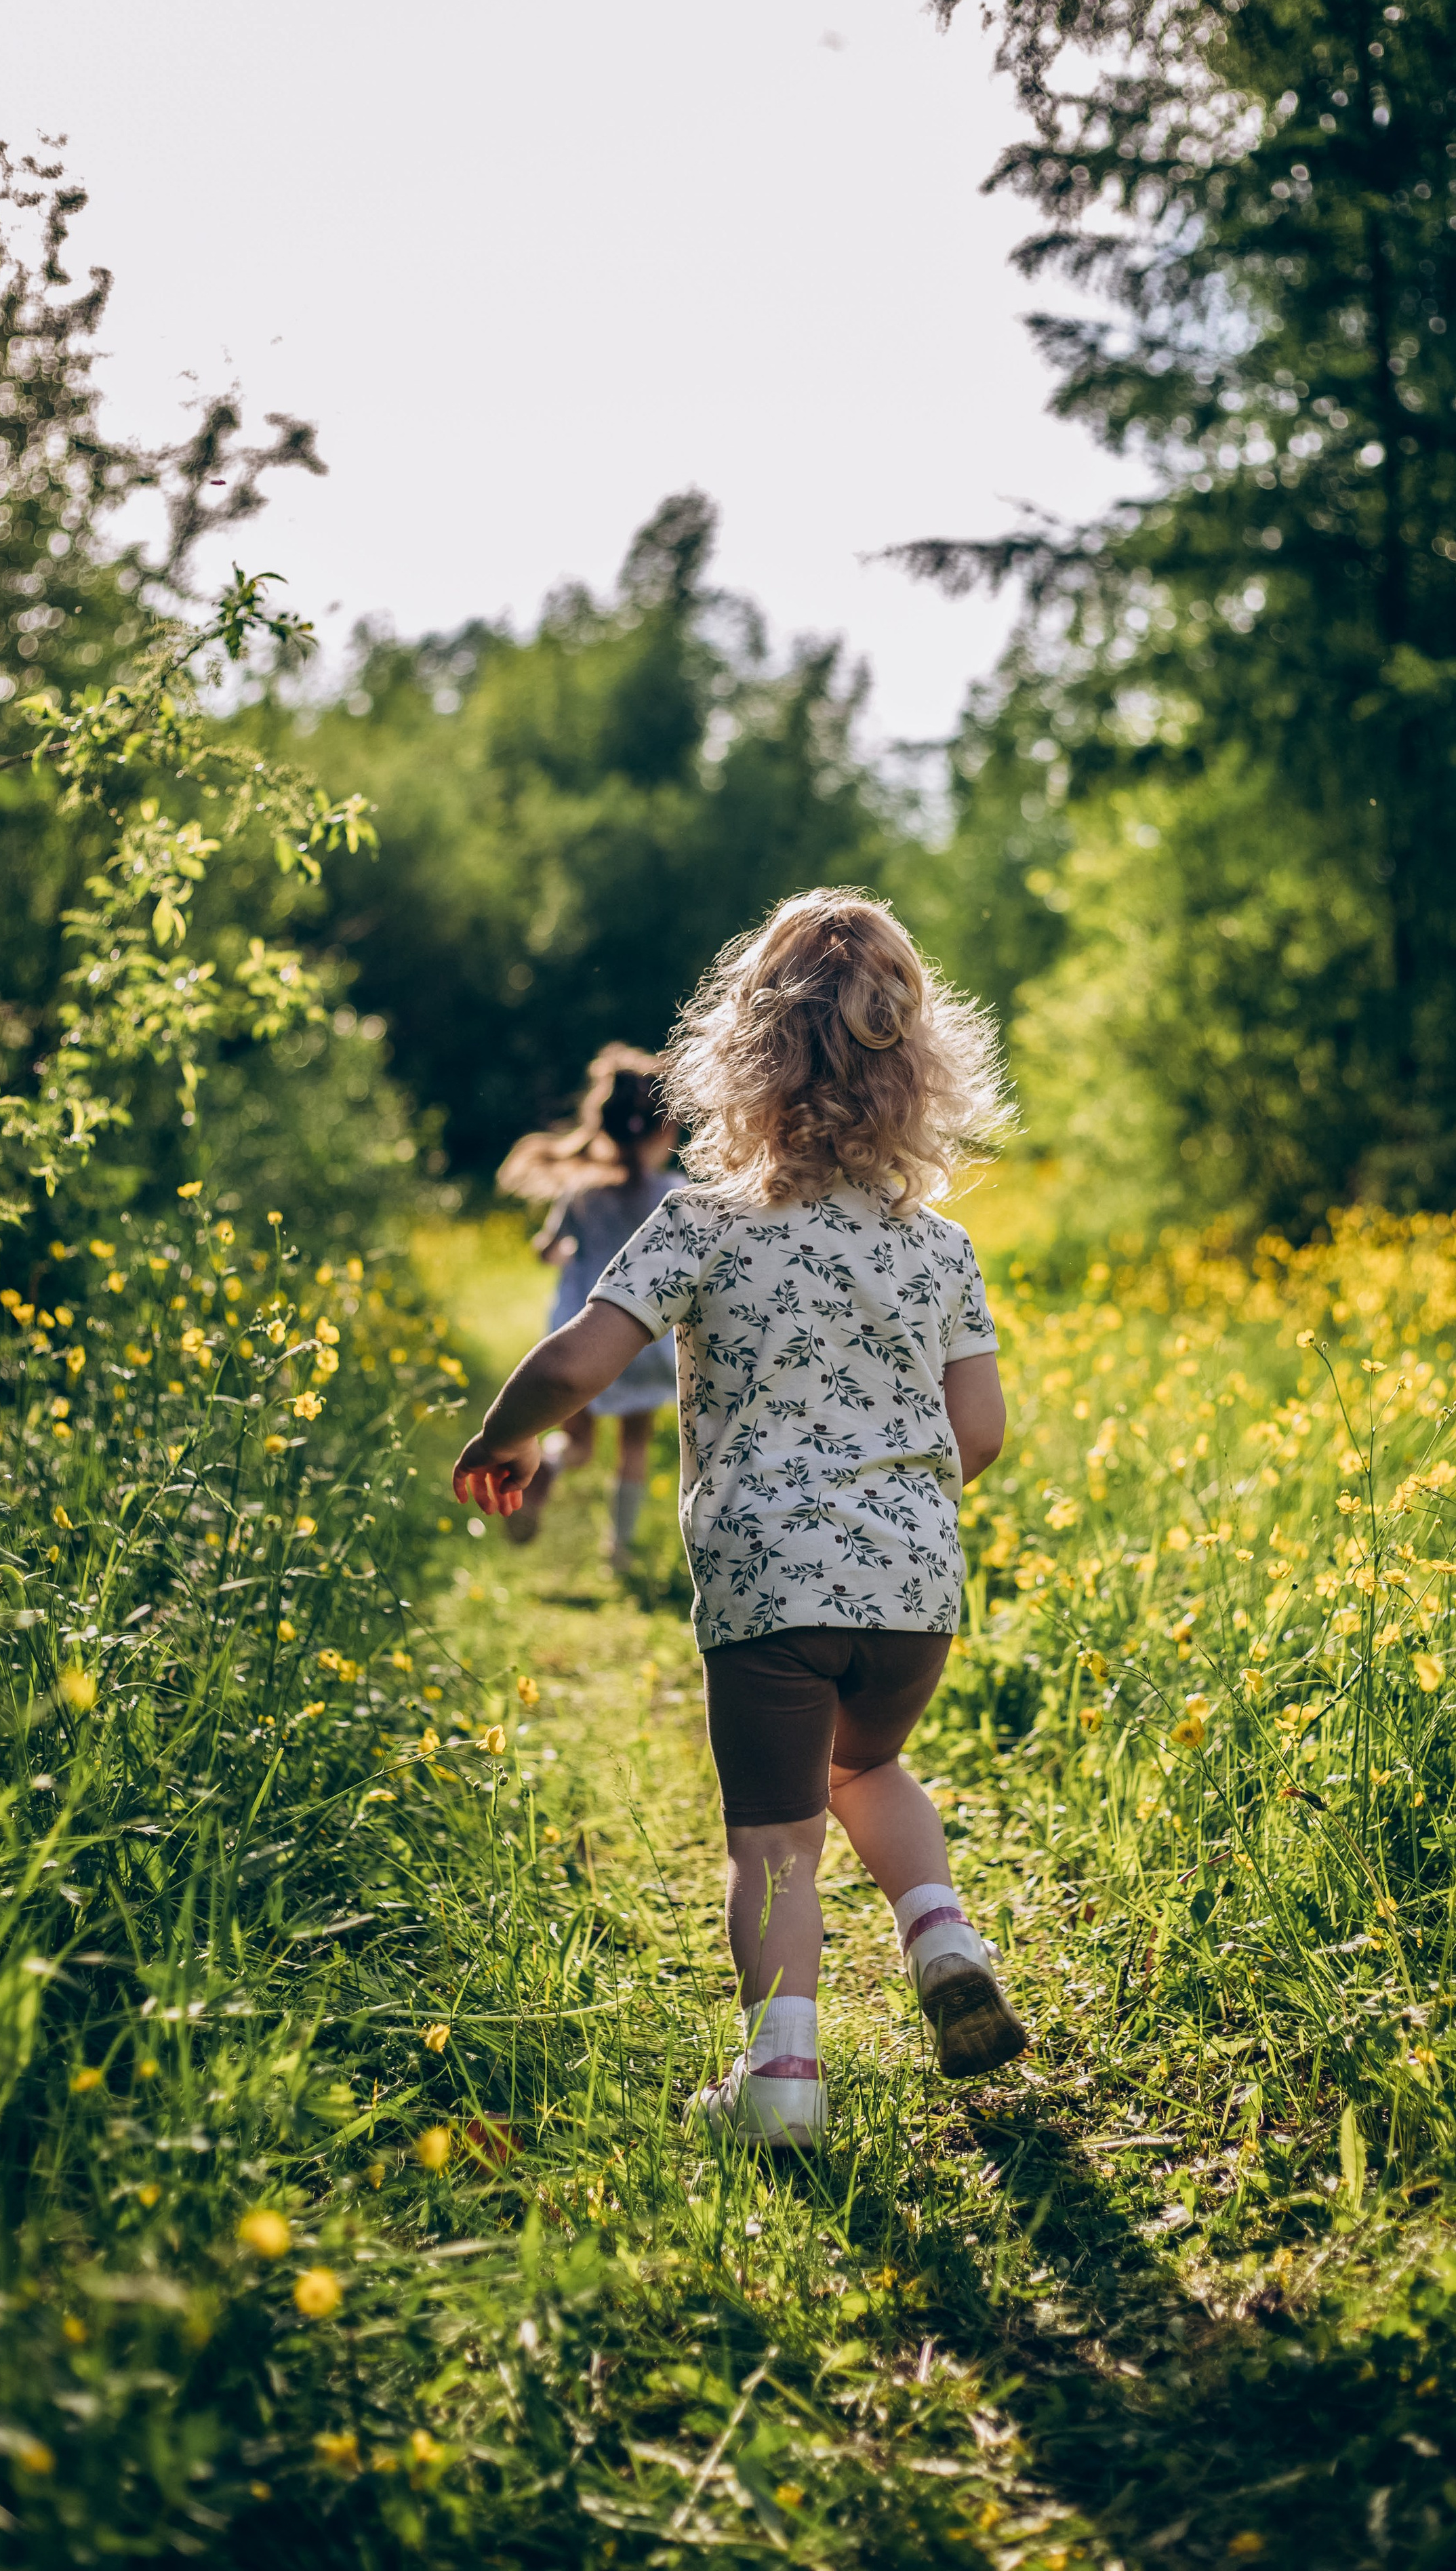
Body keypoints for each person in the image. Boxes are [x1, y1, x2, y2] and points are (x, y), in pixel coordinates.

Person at [454, 892, 1023, 2147]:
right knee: (865, 1767)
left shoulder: (702, 1224)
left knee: (774, 1840)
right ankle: (942, 1939)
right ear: (920, 1071)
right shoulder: (940, 1249)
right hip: (914, 1588)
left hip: (768, 1585)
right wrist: (889, 1508)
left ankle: (779, 2081)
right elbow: (978, 1434)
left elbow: (575, 1362)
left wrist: (506, 1440)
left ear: (740, 1061)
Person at [495, 1045, 682, 1571]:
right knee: (634, 1445)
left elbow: (548, 1248)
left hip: (583, 1338)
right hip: (644, 1341)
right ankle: (618, 1548)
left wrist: (562, 1253)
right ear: (665, 1130)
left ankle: (550, 1468)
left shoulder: (582, 1192)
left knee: (576, 1441)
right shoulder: (672, 1195)